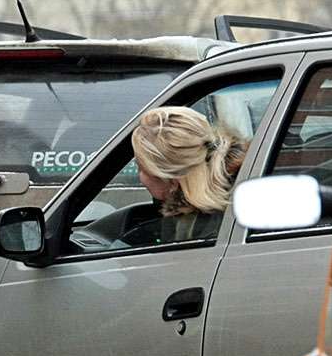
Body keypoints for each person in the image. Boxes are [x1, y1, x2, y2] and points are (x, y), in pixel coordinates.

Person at [74, 107, 247, 251]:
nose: (140, 178)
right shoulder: (237, 197)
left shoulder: (203, 231)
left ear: (172, 182)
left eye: (141, 168)